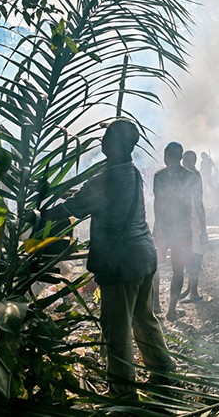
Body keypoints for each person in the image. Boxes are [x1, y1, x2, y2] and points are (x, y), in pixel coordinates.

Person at [43, 120, 173, 397]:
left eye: (107, 137)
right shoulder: (132, 173)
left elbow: (74, 207)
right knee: (143, 318)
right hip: (145, 257)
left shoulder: (105, 178)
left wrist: (39, 214)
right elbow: (89, 198)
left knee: (117, 330)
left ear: (117, 145)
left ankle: (122, 391)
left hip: (121, 263)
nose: (102, 141)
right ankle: (163, 369)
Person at [153, 142, 199, 321]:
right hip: (182, 229)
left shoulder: (159, 176)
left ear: (166, 155)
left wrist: (157, 227)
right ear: (181, 157)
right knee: (178, 270)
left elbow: (158, 202)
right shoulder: (191, 176)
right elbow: (195, 202)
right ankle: (171, 309)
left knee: (155, 266)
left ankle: (156, 303)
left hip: (164, 227)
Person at [180, 150, 208, 302]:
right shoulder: (191, 175)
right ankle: (190, 288)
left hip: (194, 219)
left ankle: (194, 292)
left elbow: (198, 203)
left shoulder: (193, 176)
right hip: (191, 219)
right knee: (189, 253)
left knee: (195, 255)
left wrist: (203, 228)